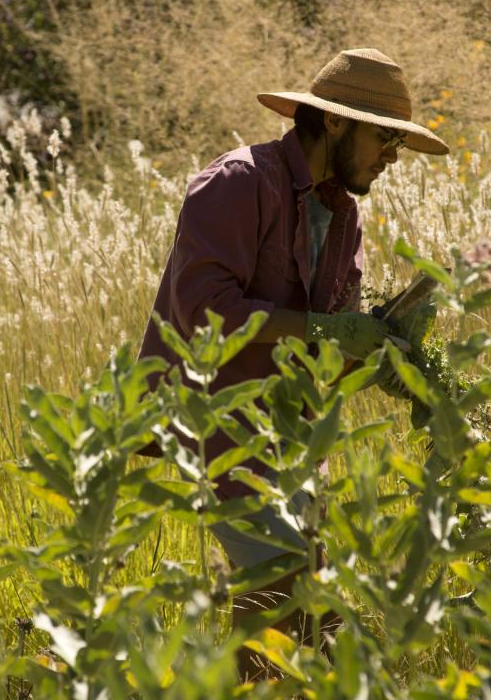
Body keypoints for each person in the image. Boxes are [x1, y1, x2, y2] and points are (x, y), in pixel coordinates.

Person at [136, 48, 448, 677]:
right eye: (385, 137)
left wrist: (388, 356)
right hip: (214, 420)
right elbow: (203, 311)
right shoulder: (236, 183)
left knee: (322, 615)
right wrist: (327, 329)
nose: (393, 155)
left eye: (399, 143)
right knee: (278, 583)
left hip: (291, 435)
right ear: (334, 123)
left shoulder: (345, 216)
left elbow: (331, 347)